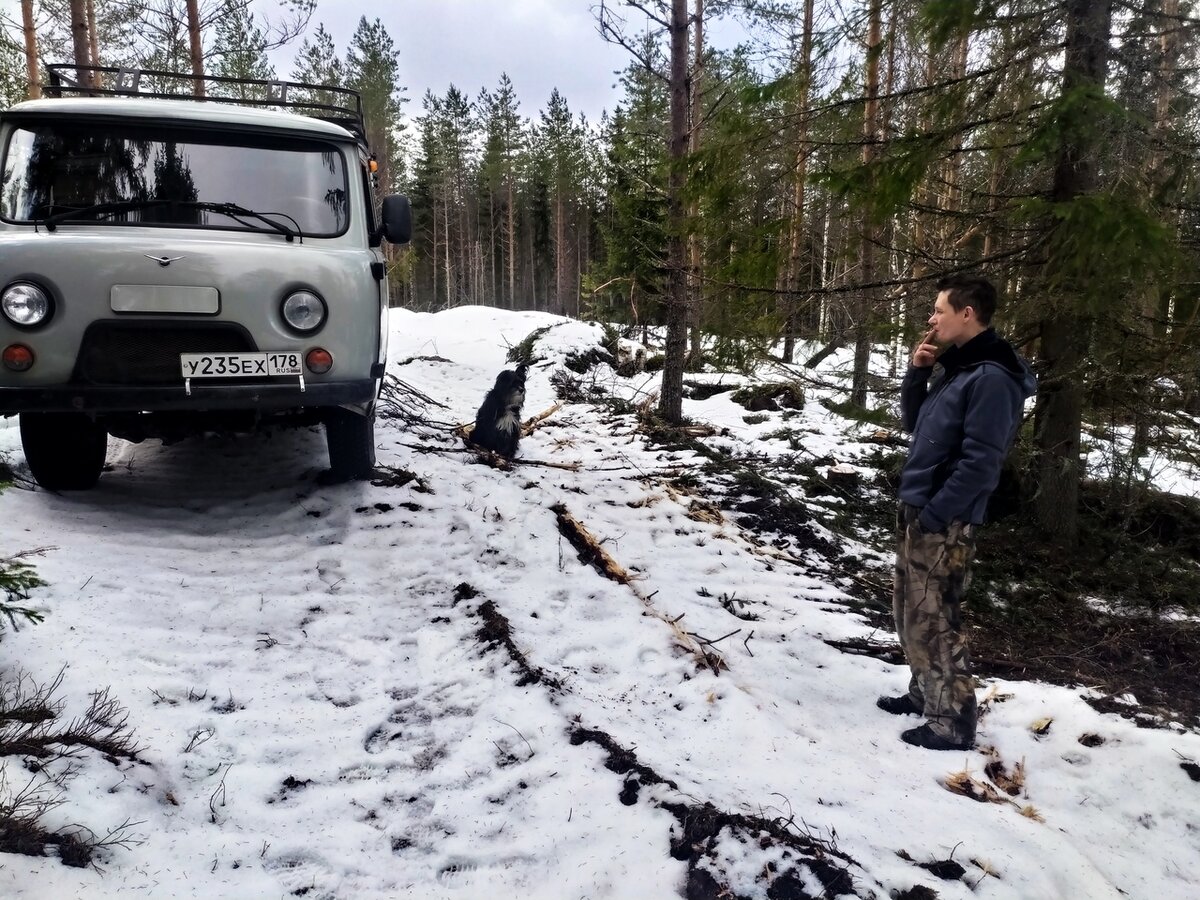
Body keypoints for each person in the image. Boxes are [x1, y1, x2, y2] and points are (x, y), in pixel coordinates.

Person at [879, 274, 1036, 750]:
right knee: (909, 609)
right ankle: (925, 692)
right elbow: (916, 424)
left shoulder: (992, 378)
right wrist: (917, 373)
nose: (932, 318)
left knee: (936, 618)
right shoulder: (962, 368)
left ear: (967, 314)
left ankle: (951, 722)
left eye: (939, 309)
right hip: (920, 507)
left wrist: (937, 513)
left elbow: (982, 463)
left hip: (942, 518)